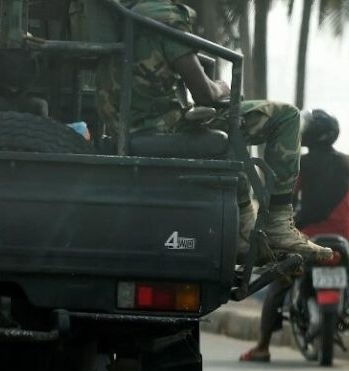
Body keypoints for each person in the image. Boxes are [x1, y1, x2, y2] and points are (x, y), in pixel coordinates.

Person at [95, 0, 332, 261]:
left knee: (226, 131)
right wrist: (222, 87)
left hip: (134, 125)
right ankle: (277, 225)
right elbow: (204, 93)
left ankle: (245, 230)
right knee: (287, 116)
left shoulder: (126, 11)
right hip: (162, 126)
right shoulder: (164, 15)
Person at [239, 110, 349, 362]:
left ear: (314, 136)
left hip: (308, 237)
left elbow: (290, 199)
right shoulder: (348, 162)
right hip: (344, 237)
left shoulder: (301, 164)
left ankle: (262, 346)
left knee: (280, 282)